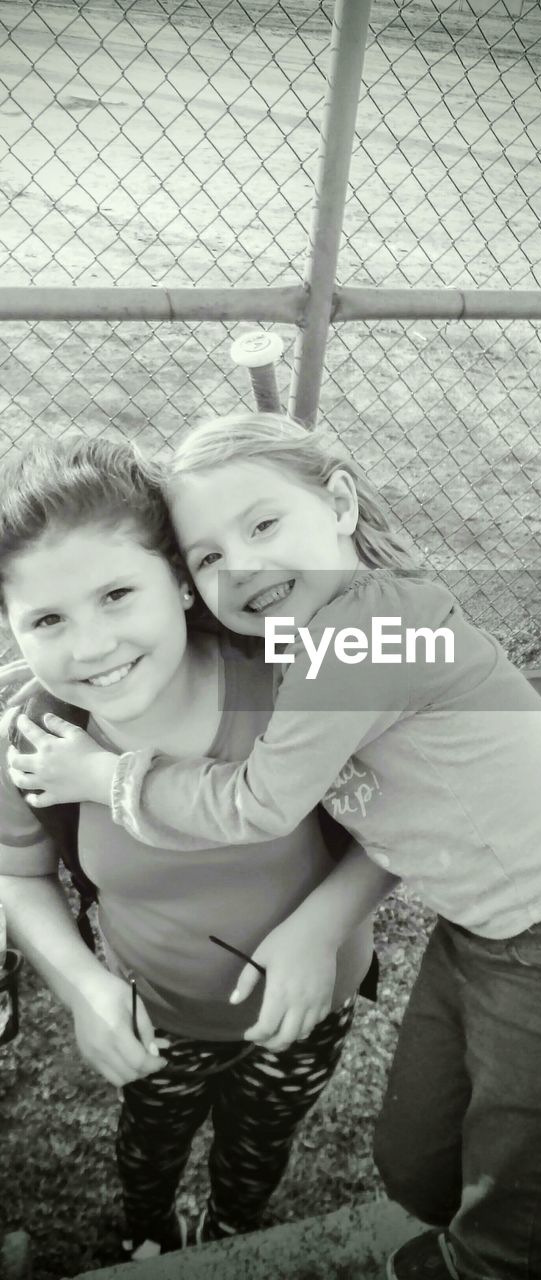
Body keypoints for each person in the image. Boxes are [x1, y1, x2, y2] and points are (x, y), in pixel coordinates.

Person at [15, 410, 541, 1280]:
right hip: (477, 929)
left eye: (263, 524)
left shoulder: (351, 642)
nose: (246, 565)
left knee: (506, 1227)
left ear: (338, 500)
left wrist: (105, 778)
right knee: (418, 1163)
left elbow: (260, 803)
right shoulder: (327, 633)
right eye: (211, 556)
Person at [0, 435, 396, 1261]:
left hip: (306, 1008)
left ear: (180, 581)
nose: (92, 646)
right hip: (155, 1017)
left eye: (116, 594)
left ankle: (229, 1230)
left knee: (257, 1149)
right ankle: (147, 1228)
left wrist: (317, 931)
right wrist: (81, 989)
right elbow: (19, 871)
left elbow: (401, 827)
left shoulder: (297, 683)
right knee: (147, 1143)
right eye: (46, 619)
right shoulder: (37, 737)